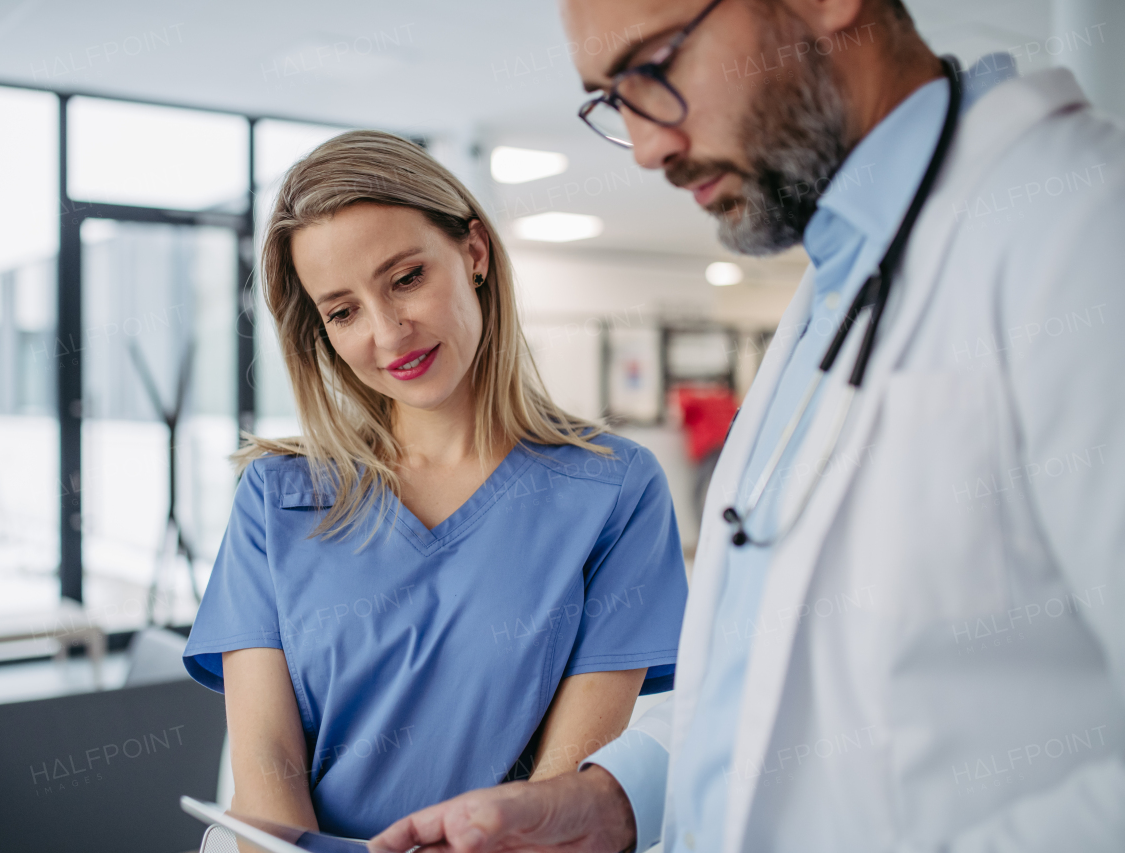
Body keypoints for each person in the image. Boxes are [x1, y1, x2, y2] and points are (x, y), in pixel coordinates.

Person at [369, 0, 1125, 851]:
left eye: (655, 66)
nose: (648, 146)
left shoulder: (1083, 232)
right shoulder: (840, 278)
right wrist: (612, 798)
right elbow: (773, 687)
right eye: (613, 99)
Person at [182, 130, 689, 840]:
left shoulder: (614, 489)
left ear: (474, 253)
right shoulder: (277, 496)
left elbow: (562, 790)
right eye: (343, 310)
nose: (388, 333)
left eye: (406, 278)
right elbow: (267, 770)